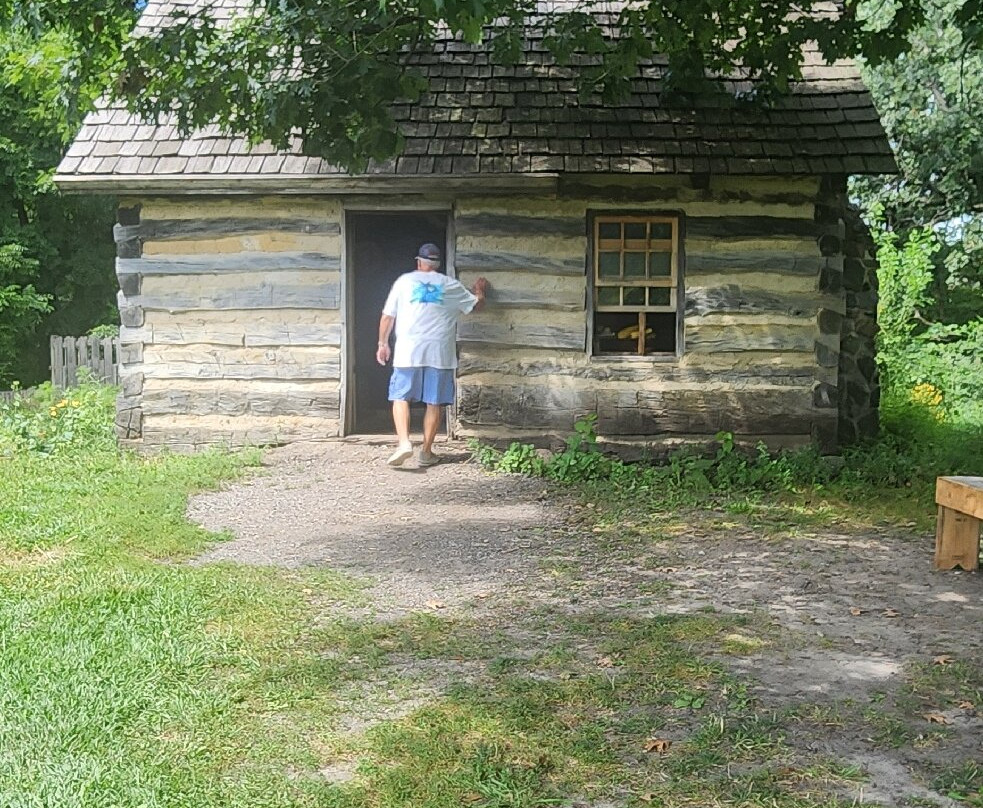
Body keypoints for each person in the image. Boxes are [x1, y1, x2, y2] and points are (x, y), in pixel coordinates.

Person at [376, 243, 488, 466]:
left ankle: (404, 443)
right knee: (434, 402)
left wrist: (382, 343)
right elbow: (476, 306)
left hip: (408, 349)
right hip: (439, 351)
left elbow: (388, 316)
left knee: (400, 396)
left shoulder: (404, 281)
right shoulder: (450, 285)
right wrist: (480, 291)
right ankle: (426, 452)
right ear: (438, 264)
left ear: (419, 262)